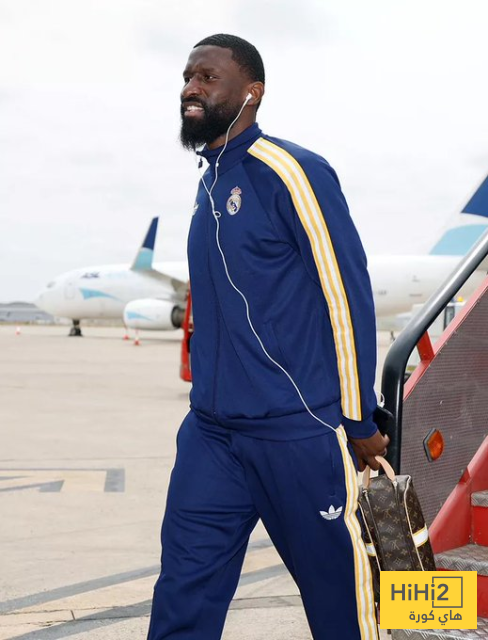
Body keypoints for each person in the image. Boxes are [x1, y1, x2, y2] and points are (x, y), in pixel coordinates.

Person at [147, 33, 389, 640]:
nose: (190, 88)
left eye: (207, 77)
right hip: (212, 433)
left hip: (297, 430)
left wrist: (357, 417)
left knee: (342, 601)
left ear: (251, 92)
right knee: (182, 591)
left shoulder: (292, 171)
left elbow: (346, 298)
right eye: (187, 77)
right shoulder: (209, 183)